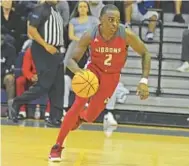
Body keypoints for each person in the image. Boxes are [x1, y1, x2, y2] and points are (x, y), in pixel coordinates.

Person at [49, 4, 151, 162]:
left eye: (117, 20)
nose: (115, 24)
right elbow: (70, 60)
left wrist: (144, 80)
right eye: (111, 20)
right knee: (76, 105)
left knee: (90, 117)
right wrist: (81, 74)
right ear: (101, 21)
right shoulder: (90, 34)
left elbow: (145, 53)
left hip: (111, 77)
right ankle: (57, 146)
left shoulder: (126, 34)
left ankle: (83, 116)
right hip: (93, 72)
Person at [8, 0, 64, 127]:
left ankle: (55, 118)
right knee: (44, 85)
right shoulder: (40, 9)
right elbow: (32, 29)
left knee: (58, 86)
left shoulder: (56, 10)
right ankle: (16, 102)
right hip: (44, 50)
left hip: (56, 51)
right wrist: (46, 45)